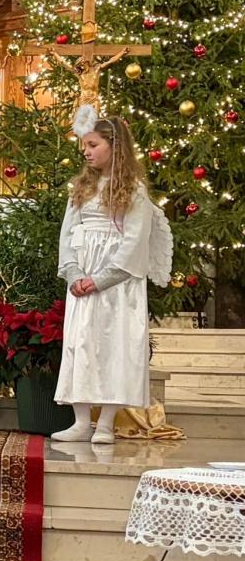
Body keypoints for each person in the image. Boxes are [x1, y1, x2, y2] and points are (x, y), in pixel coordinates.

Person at [51, 118, 173, 445]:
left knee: (114, 346)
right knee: (81, 344)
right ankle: (80, 421)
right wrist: (74, 272)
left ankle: (105, 422)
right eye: (84, 146)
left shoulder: (134, 190)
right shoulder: (82, 187)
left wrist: (103, 278)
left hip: (117, 282)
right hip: (83, 275)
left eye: (93, 145)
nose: (86, 152)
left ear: (114, 146)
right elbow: (68, 233)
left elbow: (135, 240)